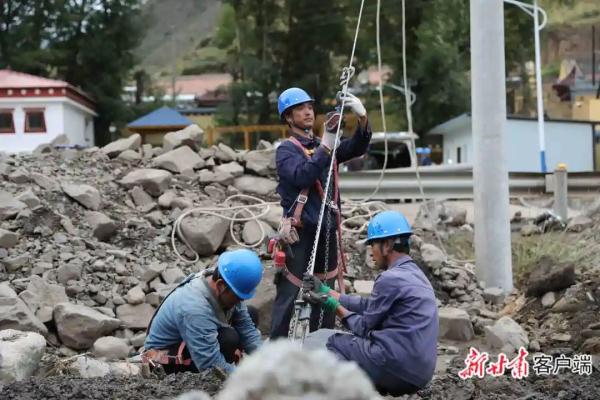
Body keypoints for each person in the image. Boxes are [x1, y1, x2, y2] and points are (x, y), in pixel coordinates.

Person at [270, 87, 372, 339]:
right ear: (288, 117)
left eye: (309, 107)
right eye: (300, 109)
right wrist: (326, 144)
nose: (307, 112)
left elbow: (356, 148)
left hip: (326, 228)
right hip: (301, 232)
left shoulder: (322, 145)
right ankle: (276, 351)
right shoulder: (287, 150)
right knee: (290, 293)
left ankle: (320, 345)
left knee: (325, 293)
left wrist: (362, 118)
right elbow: (303, 175)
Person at [301, 210, 439, 396]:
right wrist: (329, 292)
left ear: (387, 245)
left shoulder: (390, 278)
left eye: (372, 244)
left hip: (397, 365)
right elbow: (371, 307)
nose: (371, 252)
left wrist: (333, 306)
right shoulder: (416, 275)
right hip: (420, 372)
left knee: (330, 343)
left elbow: (362, 328)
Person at [143, 249, 263, 374]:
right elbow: (210, 363)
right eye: (238, 297)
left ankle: (234, 361)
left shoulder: (225, 280)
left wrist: (266, 362)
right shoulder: (195, 308)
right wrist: (246, 379)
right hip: (165, 361)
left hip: (193, 340)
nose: (241, 301)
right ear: (221, 286)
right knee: (228, 338)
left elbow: (246, 327)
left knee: (251, 313)